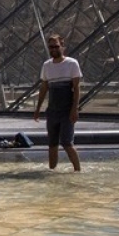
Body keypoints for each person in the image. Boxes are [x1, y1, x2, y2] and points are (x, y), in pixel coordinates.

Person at [33, 34, 82, 171]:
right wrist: (37, 110)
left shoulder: (72, 63)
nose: (53, 49)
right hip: (52, 110)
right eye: (51, 47)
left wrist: (75, 109)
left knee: (67, 143)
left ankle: (77, 170)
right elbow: (44, 89)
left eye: (56, 46)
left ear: (62, 46)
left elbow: (77, 88)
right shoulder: (46, 65)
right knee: (52, 144)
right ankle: (52, 170)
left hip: (66, 110)